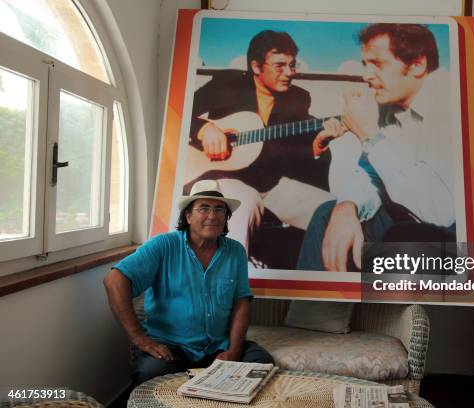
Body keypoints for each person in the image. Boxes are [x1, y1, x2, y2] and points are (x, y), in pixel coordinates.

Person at [299, 23, 456, 272]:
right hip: (404, 218)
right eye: (365, 65)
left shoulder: (452, 107)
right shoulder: (391, 107)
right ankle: (321, 303)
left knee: (406, 238)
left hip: (445, 236)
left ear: (417, 64)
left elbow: (439, 213)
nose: (367, 76)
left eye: (378, 64)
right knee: (328, 213)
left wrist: (369, 135)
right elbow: (368, 172)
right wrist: (347, 206)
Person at [103, 180, 273, 385]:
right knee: (150, 373)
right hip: (171, 347)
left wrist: (233, 352)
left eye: (220, 210)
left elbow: (241, 303)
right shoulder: (163, 245)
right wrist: (138, 337)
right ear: (188, 216)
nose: (212, 216)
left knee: (260, 364)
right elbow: (114, 281)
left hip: (218, 346)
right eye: (204, 208)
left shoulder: (235, 251)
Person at [186, 30, 333, 253]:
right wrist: (205, 129)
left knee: (333, 210)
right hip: (224, 177)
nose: (289, 73)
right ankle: (229, 279)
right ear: (256, 67)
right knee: (244, 202)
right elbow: (179, 111)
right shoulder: (229, 83)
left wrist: (318, 146)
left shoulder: (298, 98)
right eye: (280, 65)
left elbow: (297, 151)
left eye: (292, 65)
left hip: (269, 185)